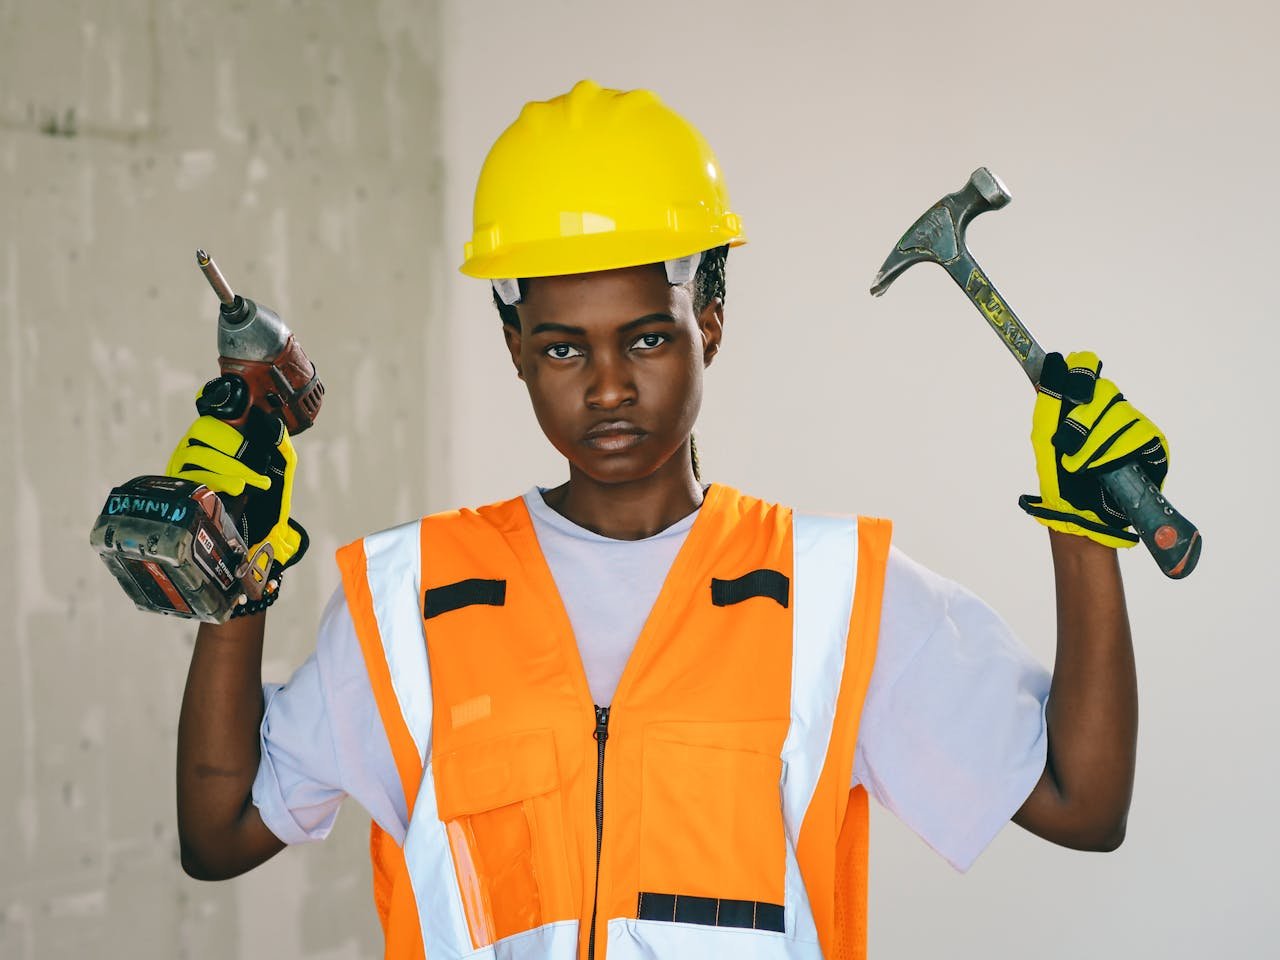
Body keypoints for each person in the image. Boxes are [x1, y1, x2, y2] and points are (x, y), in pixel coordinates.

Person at [170, 80, 1169, 960]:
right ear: (515, 349)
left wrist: (1081, 532)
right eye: (563, 349)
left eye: (646, 336)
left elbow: (1083, 804)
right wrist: (231, 571)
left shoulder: (834, 598)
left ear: (710, 326)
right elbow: (218, 834)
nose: (607, 386)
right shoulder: (404, 600)